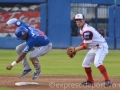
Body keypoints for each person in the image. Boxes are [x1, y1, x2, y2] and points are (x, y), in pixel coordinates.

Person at [73, 14, 112, 86]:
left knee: (97, 62)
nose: (78, 22)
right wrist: (77, 48)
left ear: (84, 20)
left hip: (101, 47)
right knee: (85, 63)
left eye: (80, 20)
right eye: (77, 21)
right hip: (94, 47)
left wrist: (76, 49)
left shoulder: (87, 30)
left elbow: (86, 46)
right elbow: (85, 42)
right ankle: (90, 81)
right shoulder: (83, 28)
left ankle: (107, 80)